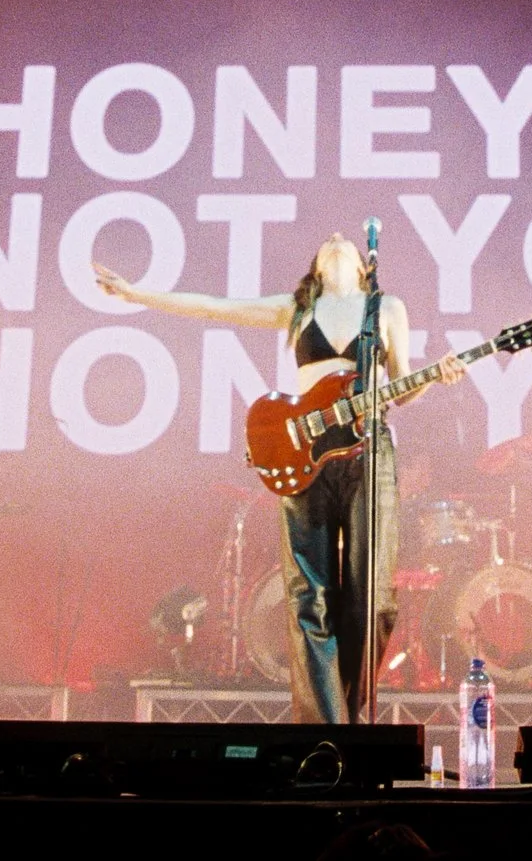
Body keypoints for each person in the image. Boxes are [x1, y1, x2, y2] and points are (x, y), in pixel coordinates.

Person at [96, 233, 461, 721]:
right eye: (326, 240)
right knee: (308, 593)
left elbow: (399, 385)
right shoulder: (297, 309)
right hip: (305, 453)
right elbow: (214, 308)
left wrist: (435, 376)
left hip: (367, 451)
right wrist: (137, 294)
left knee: (371, 593)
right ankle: (323, 730)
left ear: (362, 265)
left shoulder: (386, 308)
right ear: (315, 265)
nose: (336, 237)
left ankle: (352, 717)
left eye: (345, 239)